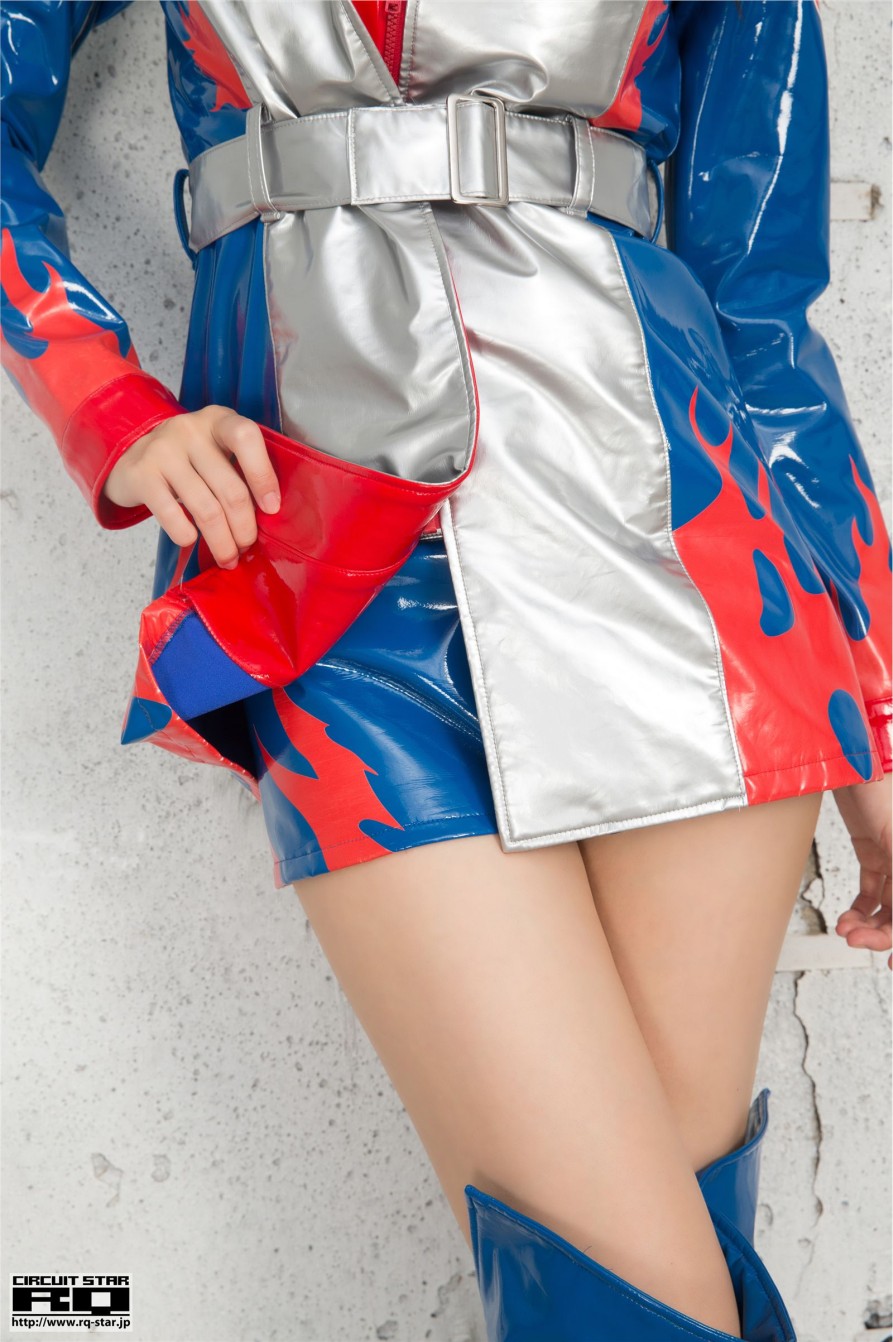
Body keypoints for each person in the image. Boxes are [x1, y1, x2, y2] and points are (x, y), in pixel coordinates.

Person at [2, 1, 890, 1337]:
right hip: (330, 570)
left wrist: (873, 699)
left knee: (661, 1279)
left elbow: (762, 316)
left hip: (698, 577)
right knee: (636, 1287)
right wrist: (107, 407)